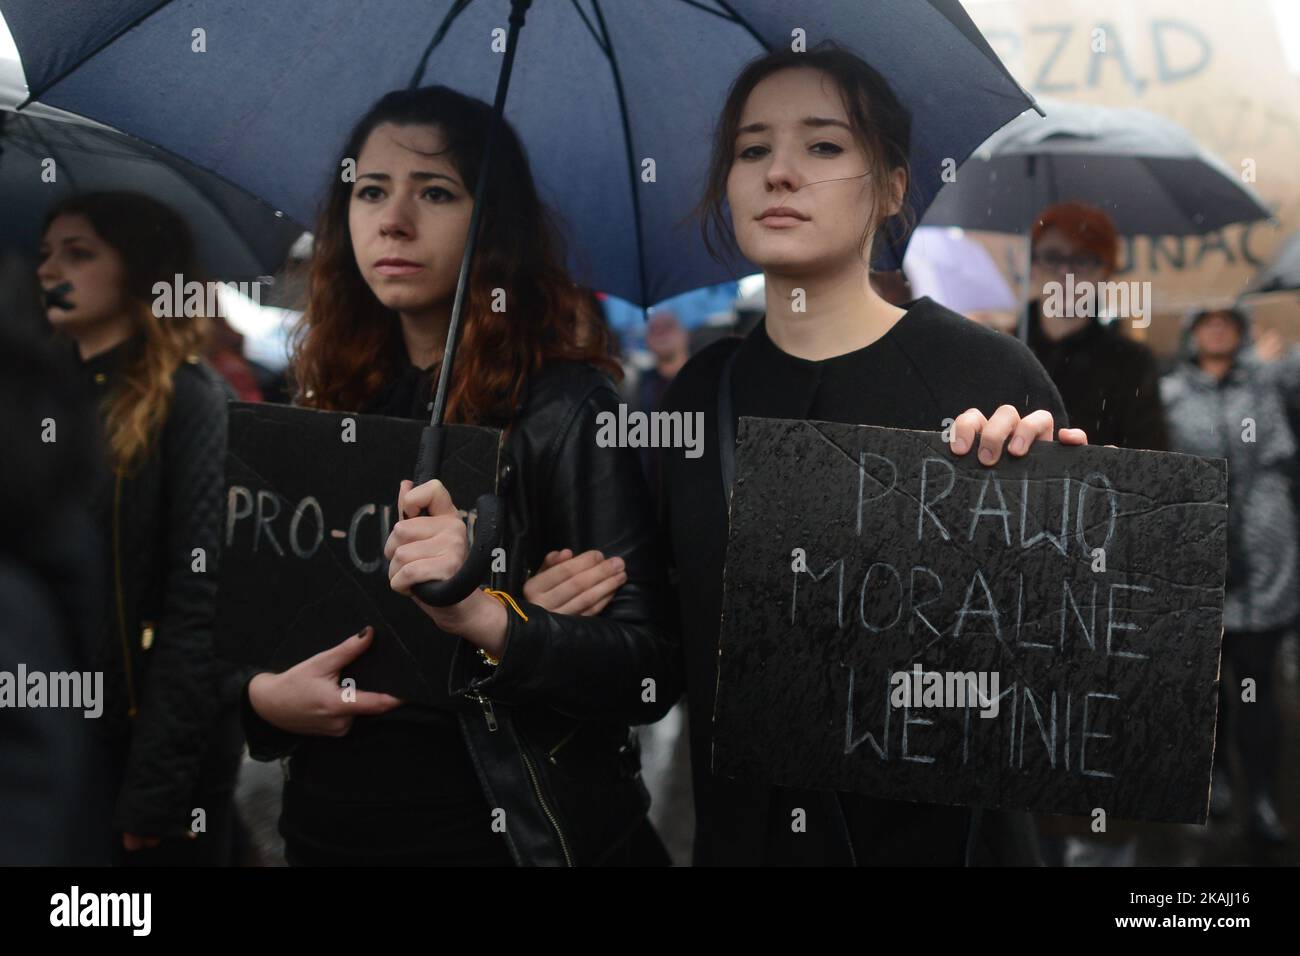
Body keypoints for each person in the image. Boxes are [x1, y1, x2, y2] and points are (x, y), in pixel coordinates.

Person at [657, 44, 1089, 866]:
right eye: (752, 150)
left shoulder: (988, 373)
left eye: (824, 145)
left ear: (893, 188)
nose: (779, 173)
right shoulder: (700, 394)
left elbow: (1065, 684)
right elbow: (659, 653)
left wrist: (1076, 534)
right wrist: (518, 613)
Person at [241, 85, 679, 866]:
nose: (393, 220)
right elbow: (255, 618)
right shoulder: (323, 396)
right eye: (370, 190)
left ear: (494, 226)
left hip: (505, 839)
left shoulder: (564, 407)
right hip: (325, 835)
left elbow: (647, 670)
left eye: (435, 192)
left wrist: (497, 620)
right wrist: (260, 702)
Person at [35, 191, 243, 865]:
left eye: (78, 253)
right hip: (40, 739)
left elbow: (199, 608)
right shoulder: (35, 397)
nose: (48, 271)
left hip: (130, 758)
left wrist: (156, 788)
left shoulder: (191, 400)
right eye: (45, 254)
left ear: (137, 269)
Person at [1161, 305, 1297, 845]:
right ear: (1192, 333)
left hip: (1268, 563)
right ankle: (1212, 779)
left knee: (1259, 690)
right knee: (1207, 685)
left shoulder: (1269, 382)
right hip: (1200, 560)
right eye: (1206, 321)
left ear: (1240, 332)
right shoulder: (1169, 394)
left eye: (1227, 321)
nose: (1217, 328)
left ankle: (1261, 793)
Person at [1025, 201, 1169, 451]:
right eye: (1052, 257)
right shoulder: (1004, 348)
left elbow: (1150, 454)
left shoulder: (1131, 363)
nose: (1065, 271)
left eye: (1082, 259)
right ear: (1033, 265)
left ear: (1105, 271)